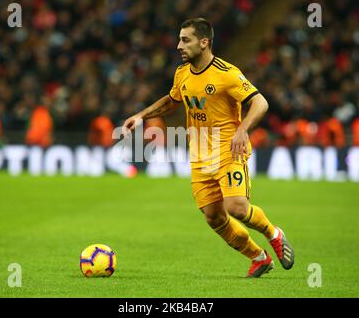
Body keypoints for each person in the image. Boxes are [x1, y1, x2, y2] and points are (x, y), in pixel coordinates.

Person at [123, 18, 294, 278]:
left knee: (236, 207)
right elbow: (172, 100)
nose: (179, 45)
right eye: (179, 39)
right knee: (213, 217)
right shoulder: (182, 73)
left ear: (204, 43)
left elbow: (260, 103)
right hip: (200, 153)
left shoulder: (227, 73)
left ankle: (274, 233)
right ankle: (258, 257)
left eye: (185, 40)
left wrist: (242, 130)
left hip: (228, 149)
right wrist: (141, 115)